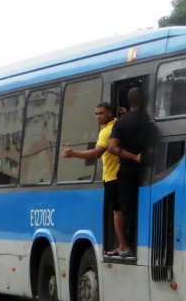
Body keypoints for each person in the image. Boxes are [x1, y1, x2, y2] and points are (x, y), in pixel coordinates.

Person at [61, 102, 129, 257]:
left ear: (110, 113)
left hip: (112, 177)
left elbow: (97, 153)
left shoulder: (107, 131)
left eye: (101, 113)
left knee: (117, 212)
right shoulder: (118, 125)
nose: (98, 116)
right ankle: (123, 245)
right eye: (96, 114)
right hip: (118, 175)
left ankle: (123, 246)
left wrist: (73, 154)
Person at [108, 88, 146, 258]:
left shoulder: (121, 122)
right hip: (151, 170)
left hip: (128, 170)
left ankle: (126, 246)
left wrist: (133, 157)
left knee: (126, 209)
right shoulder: (149, 120)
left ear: (129, 102)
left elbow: (113, 148)